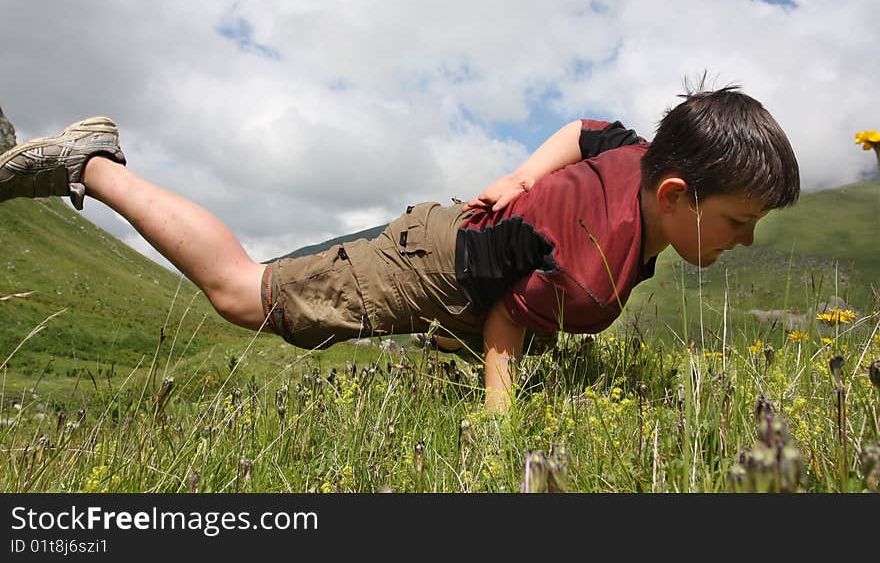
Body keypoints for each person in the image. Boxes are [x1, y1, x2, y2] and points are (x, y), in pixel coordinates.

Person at [0, 85, 800, 412]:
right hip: (434, 265)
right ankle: (93, 165)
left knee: (252, 290)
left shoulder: (644, 153)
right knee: (244, 293)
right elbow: (504, 330)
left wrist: (521, 173)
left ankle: (91, 164)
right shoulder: (590, 269)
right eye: (738, 221)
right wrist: (502, 440)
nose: (746, 239)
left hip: (452, 235)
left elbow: (590, 129)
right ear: (674, 194)